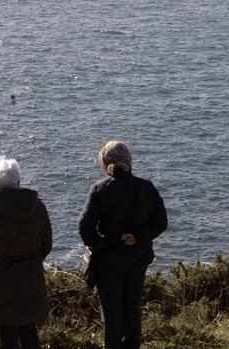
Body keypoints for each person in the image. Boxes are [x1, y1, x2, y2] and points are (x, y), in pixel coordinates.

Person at [79, 140, 167, 349]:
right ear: (128, 161)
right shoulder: (146, 187)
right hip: (137, 260)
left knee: (112, 315)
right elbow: (161, 222)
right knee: (132, 310)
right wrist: (137, 237)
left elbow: (84, 228)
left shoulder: (100, 189)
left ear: (107, 162)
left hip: (108, 262)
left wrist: (99, 243)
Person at [0, 156, 52, 349]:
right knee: (29, 331)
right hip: (31, 279)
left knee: (6, 334)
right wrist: (31, 261)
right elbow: (46, 245)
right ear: (18, 179)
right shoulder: (37, 207)